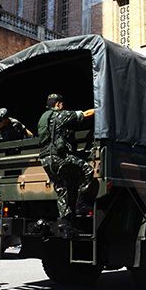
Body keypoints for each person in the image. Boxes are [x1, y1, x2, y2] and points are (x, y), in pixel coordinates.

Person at [37, 93, 95, 238]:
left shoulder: (44, 118)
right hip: (58, 158)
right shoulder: (61, 115)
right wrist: (100, 108)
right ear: (57, 104)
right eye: (61, 103)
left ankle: (66, 226)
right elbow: (85, 114)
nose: (63, 106)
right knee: (87, 169)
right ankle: (82, 203)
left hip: (45, 160)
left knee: (62, 190)